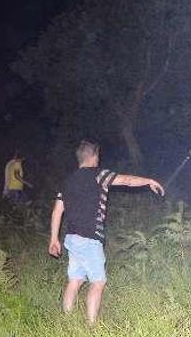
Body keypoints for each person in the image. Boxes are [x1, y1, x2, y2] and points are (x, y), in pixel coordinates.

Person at [47, 139, 164, 326]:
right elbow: (126, 180)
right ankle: (91, 326)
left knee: (75, 280)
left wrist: (54, 239)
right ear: (93, 157)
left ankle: (66, 322)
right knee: (98, 282)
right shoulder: (98, 174)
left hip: (72, 238)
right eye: (98, 156)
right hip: (90, 239)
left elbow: (57, 211)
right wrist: (148, 181)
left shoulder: (67, 181)